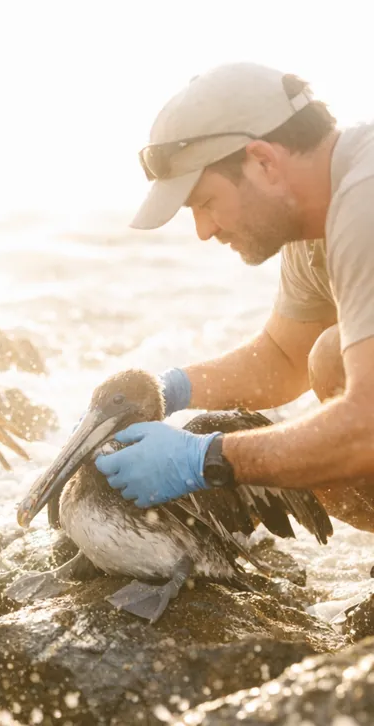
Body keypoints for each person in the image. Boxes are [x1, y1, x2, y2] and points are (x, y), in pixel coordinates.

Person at [92, 62, 374, 532]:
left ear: (263, 162)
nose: (204, 230)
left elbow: (366, 426)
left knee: (334, 367)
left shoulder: (364, 204)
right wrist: (164, 390)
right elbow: (284, 357)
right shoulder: (316, 219)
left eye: (205, 203)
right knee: (324, 365)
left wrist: (206, 459)